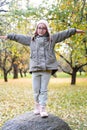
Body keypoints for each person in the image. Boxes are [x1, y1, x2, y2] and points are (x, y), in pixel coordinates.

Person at [0, 20, 85, 118]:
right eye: (39, 27)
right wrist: (8, 36)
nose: (41, 30)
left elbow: (65, 33)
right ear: (36, 29)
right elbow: (18, 37)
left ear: (46, 29)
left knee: (43, 90)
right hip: (35, 69)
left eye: (43, 28)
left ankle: (43, 108)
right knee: (36, 90)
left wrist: (75, 30)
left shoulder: (52, 39)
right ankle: (37, 106)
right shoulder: (31, 40)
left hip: (47, 69)